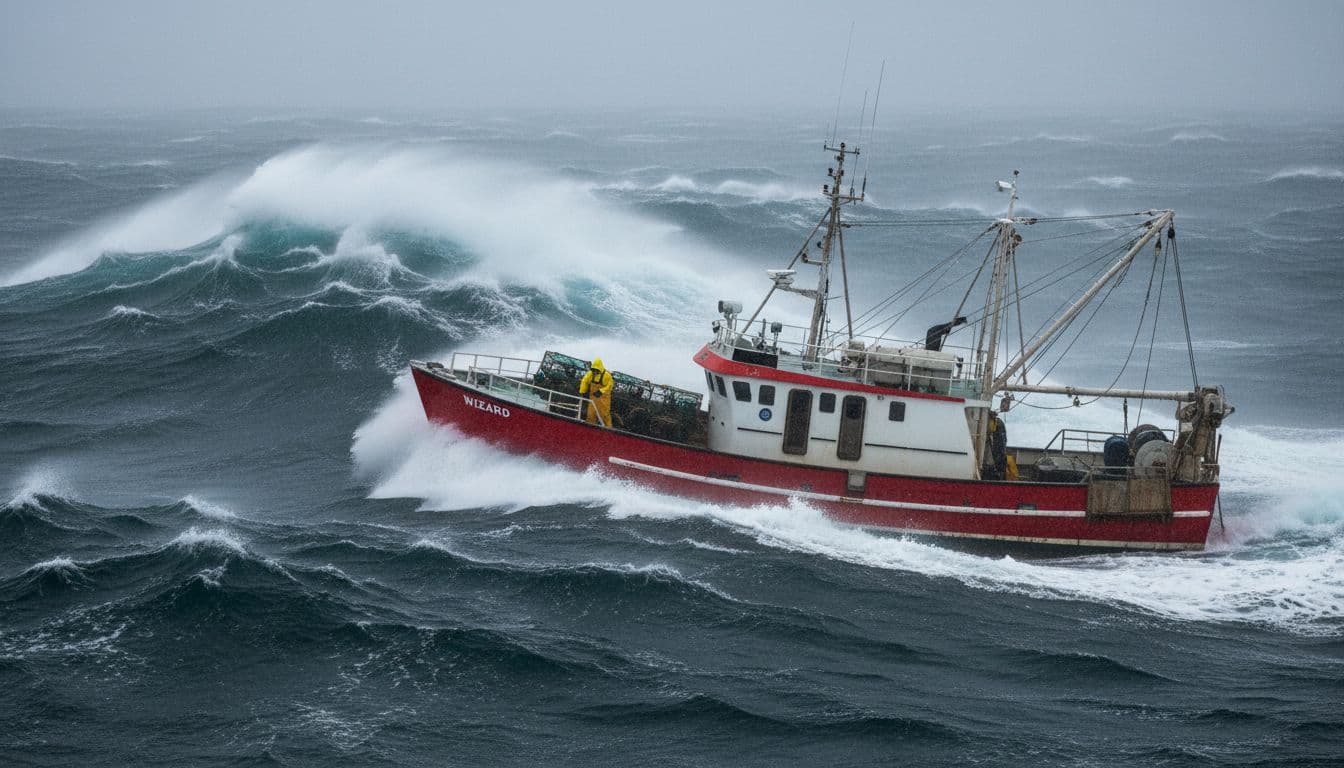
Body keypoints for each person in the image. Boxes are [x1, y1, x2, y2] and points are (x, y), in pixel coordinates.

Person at [579, 357, 614, 427]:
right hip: (593, 398)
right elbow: (584, 381)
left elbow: (610, 386)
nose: (594, 372)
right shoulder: (590, 374)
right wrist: (583, 391)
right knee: (591, 414)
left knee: (604, 414)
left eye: (596, 370)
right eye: (593, 370)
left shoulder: (607, 375)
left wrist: (601, 391)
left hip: (604, 399)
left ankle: (608, 429)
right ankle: (590, 427)